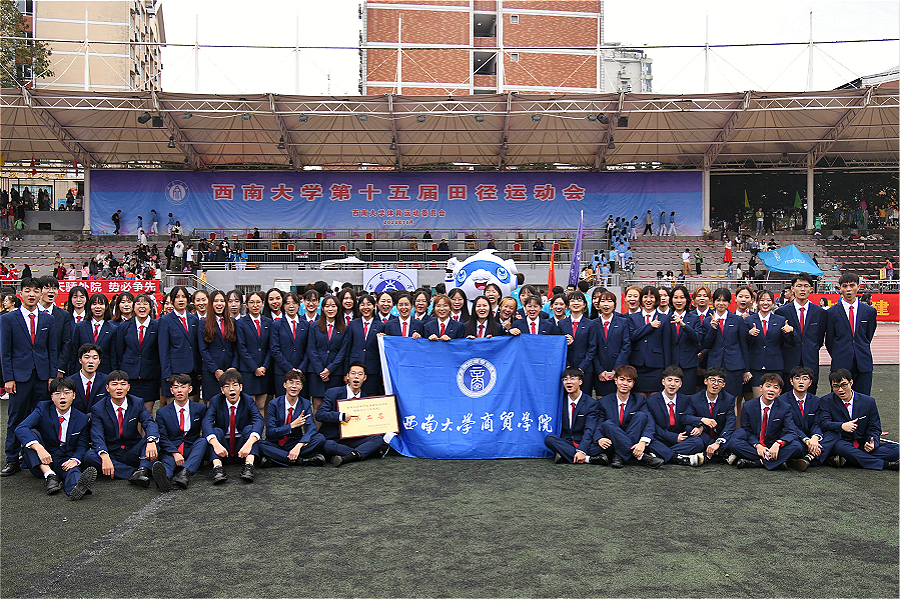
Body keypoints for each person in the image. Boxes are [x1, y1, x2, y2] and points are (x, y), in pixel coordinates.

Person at [1, 277, 58, 476]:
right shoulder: (8, 319)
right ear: (21, 293)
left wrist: (52, 376)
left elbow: (52, 350)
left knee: (41, 417)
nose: (31, 294)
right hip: (19, 377)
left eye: (35, 290)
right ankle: (12, 458)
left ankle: (34, 458)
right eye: (27, 290)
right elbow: (5, 352)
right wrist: (8, 378)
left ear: (41, 294)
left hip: (42, 377)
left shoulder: (48, 319)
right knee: (16, 418)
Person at [14, 377, 97, 500]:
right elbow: (21, 428)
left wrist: (75, 459)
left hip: (64, 458)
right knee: (31, 435)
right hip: (41, 460)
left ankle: (76, 488)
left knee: (73, 470)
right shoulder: (43, 408)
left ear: (74, 395)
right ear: (52, 397)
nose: (62, 397)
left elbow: (82, 445)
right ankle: (49, 475)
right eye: (57, 393)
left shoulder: (82, 418)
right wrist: (39, 448)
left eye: (67, 393)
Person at [82, 370, 159, 486]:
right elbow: (97, 434)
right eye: (114, 384)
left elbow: (148, 422)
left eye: (123, 384)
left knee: (154, 439)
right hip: (112, 452)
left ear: (128, 387)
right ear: (107, 388)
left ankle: (141, 469)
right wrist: (104, 455)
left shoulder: (136, 402)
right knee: (89, 456)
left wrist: (151, 440)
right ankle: (137, 472)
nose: (119, 388)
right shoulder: (98, 408)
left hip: (133, 449)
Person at [817, 368, 898, 470]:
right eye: (836, 386)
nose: (840, 390)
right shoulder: (826, 401)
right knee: (840, 447)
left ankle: (847, 460)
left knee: (897, 450)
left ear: (851, 382)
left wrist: (873, 443)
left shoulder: (868, 401)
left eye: (844, 385)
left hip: (862, 444)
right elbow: (824, 423)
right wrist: (842, 426)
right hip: (842, 443)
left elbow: (874, 428)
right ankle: (886, 464)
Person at [317, 362, 389, 467]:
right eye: (353, 373)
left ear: (364, 378)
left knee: (377, 439)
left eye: (360, 374)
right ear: (347, 376)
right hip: (335, 438)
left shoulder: (367, 400)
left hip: (354, 439)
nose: (356, 376)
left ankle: (348, 456)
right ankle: (364, 453)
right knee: (327, 445)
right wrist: (340, 416)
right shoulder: (333, 393)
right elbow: (320, 415)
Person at [730, 373, 806, 470]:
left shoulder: (785, 408)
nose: (771, 390)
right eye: (768, 386)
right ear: (761, 388)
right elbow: (746, 430)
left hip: (774, 445)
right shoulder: (748, 406)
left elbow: (792, 431)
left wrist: (778, 443)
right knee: (734, 443)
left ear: (779, 392)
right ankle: (777, 461)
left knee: (797, 446)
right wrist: (757, 445)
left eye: (775, 387)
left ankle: (758, 463)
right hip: (754, 444)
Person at [592, 366, 662, 468]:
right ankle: (641, 457)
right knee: (607, 424)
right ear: (615, 380)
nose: (625, 383)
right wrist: (599, 438)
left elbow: (650, 422)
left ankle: (619, 455)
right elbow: (598, 423)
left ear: (633, 384)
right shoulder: (604, 402)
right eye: (622, 379)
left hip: (634, 436)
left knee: (641, 416)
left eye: (629, 381)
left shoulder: (640, 400)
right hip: (611, 439)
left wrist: (643, 442)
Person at [202, 370, 263, 484]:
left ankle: (249, 466)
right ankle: (217, 468)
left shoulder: (248, 400)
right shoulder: (216, 400)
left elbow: (258, 420)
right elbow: (207, 421)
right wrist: (215, 444)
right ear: (222, 390)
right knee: (216, 431)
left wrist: (249, 444)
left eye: (235, 385)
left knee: (250, 429)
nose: (231, 389)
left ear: (241, 387)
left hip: (242, 446)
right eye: (227, 386)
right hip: (222, 446)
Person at [258, 371, 326, 467]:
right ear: (284, 385)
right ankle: (301, 460)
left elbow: (311, 429)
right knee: (258, 444)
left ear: (301, 387)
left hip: (294, 442)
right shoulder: (274, 404)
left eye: (298, 383)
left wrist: (298, 446)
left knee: (320, 438)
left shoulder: (305, 404)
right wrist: (291, 426)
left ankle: (276, 459)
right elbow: (270, 432)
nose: (294, 386)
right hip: (276, 442)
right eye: (291, 382)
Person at [152, 373, 208, 491]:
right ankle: (163, 480)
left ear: (190, 389)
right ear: (171, 390)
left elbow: (206, 430)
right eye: (176, 387)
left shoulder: (200, 408)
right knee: (167, 465)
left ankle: (185, 473)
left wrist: (205, 455)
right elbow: (162, 437)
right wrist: (175, 453)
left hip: (191, 449)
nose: (179, 390)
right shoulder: (162, 412)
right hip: (171, 450)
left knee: (202, 441)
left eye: (183, 387)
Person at [824, 273, 877, 395]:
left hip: (863, 361)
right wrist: (839, 354)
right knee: (839, 398)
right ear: (840, 288)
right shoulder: (831, 313)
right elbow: (829, 340)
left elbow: (868, 335)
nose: (848, 289)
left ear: (858, 286)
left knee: (863, 398)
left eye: (852, 285)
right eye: (845, 286)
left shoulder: (869, 311)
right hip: (840, 362)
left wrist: (859, 348)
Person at [643, 366, 706, 466]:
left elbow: (690, 417)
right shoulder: (651, 401)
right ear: (663, 382)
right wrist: (674, 437)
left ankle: (662, 454)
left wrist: (700, 426)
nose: (672, 384)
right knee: (649, 442)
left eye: (676, 381)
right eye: (669, 380)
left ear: (680, 384)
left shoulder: (686, 400)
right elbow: (652, 425)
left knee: (698, 442)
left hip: (681, 439)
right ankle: (678, 458)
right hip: (661, 438)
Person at [774, 273, 826, 394]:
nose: (802, 289)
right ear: (793, 289)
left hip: (810, 361)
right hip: (789, 362)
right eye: (799, 286)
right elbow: (780, 339)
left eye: (806, 286)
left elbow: (819, 338)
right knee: (787, 398)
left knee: (810, 398)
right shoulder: (782, 312)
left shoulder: (820, 312)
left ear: (811, 289)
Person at [778, 366, 833, 471]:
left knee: (834, 435)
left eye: (805, 378)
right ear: (791, 381)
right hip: (795, 437)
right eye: (797, 378)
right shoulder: (782, 401)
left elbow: (817, 422)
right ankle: (822, 458)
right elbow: (789, 425)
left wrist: (815, 438)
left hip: (812, 439)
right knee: (795, 446)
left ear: (810, 382)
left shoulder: (817, 401)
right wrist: (806, 439)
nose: (801, 382)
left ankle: (808, 458)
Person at [113, 293, 161, 414]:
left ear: (150, 307)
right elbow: (119, 351)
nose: (142, 306)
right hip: (129, 376)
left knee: (147, 411)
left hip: (150, 376)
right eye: (138, 303)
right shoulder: (124, 326)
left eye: (145, 303)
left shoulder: (157, 326)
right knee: (131, 411)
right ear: (133, 307)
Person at [544, 368, 603, 465]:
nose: (568, 382)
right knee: (549, 439)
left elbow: (590, 429)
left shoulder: (591, 403)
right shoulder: (560, 401)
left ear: (580, 382)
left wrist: (582, 450)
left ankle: (566, 454)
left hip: (585, 442)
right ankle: (588, 459)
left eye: (572, 378)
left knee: (605, 446)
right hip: (567, 441)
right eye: (565, 379)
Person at [745, 289, 796, 399]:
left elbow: (789, 342)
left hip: (775, 365)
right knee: (758, 401)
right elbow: (745, 344)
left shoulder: (780, 320)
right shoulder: (749, 320)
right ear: (757, 302)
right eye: (762, 300)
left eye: (768, 300)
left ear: (773, 302)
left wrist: (791, 332)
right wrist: (749, 334)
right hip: (756, 366)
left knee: (775, 401)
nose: (765, 303)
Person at [704, 288, 750, 401]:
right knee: (714, 398)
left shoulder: (737, 320)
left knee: (732, 399)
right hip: (715, 364)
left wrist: (746, 369)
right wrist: (713, 329)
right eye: (718, 300)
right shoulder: (707, 321)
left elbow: (743, 345)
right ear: (713, 302)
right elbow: (706, 344)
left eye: (724, 300)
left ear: (729, 302)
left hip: (734, 365)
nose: (721, 303)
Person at [158, 286, 201, 408]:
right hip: (174, 371)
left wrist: (199, 369)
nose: (181, 300)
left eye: (183, 297)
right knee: (173, 409)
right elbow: (163, 348)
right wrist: (166, 373)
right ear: (172, 300)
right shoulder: (165, 320)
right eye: (177, 297)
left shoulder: (194, 319)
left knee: (192, 408)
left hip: (192, 371)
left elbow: (196, 346)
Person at [306, 295, 350, 409]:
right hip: (316, 371)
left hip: (335, 372)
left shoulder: (344, 328)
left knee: (333, 405)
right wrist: (320, 370)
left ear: (338, 308)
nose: (330, 309)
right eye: (327, 306)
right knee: (317, 404)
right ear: (322, 308)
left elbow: (342, 352)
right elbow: (311, 349)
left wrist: (329, 369)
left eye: (333, 306)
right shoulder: (314, 326)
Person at [685, 367, 737, 463]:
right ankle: (721, 452)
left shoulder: (729, 399)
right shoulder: (695, 398)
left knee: (738, 434)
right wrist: (701, 421)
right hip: (705, 435)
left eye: (719, 381)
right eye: (712, 380)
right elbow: (686, 417)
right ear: (705, 381)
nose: (715, 384)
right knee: (689, 428)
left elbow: (731, 422)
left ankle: (714, 450)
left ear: (723, 384)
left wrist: (718, 442)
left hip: (720, 435)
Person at [234, 291, 273, 419]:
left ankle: (260, 430)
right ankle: (248, 430)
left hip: (264, 370)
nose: (255, 305)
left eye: (258, 302)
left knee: (261, 405)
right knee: (249, 405)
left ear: (262, 303)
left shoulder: (268, 322)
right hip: (248, 370)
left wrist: (264, 366)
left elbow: (270, 347)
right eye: (251, 302)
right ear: (246, 304)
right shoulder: (241, 322)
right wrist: (254, 368)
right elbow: (241, 347)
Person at [627, 287, 671, 396]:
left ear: (656, 299)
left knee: (655, 399)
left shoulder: (664, 318)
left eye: (652, 297)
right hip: (637, 364)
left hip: (656, 365)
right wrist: (650, 326)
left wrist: (667, 369)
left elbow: (667, 344)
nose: (648, 300)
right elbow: (632, 336)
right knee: (639, 399)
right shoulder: (633, 317)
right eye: (645, 297)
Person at [268, 291, 309, 390]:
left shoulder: (306, 325)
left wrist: (301, 368)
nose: (291, 306)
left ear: (299, 305)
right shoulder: (276, 325)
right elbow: (274, 349)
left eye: (294, 303)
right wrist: (289, 368)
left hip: (301, 370)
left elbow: (309, 348)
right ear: (283, 306)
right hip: (282, 371)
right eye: (287, 303)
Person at [667, 285, 702, 394]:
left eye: (682, 297)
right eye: (675, 297)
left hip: (688, 364)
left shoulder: (695, 318)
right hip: (670, 363)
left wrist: (684, 325)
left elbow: (698, 338)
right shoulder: (666, 318)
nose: (679, 301)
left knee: (688, 395)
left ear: (687, 299)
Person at [346, 294, 384, 396]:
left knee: (370, 397)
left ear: (374, 306)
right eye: (362, 305)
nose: (365, 307)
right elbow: (348, 348)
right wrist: (346, 371)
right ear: (359, 307)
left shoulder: (381, 326)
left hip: (372, 369)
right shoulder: (353, 324)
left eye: (369, 304)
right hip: (355, 368)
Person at [37, 276, 73, 379]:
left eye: (54, 288)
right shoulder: (31, 313)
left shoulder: (63, 315)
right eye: (47, 288)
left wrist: (60, 368)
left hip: (55, 368)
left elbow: (67, 343)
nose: (51, 291)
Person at [71, 343, 109, 414]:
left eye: (95, 358)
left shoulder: (106, 381)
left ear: (99, 361)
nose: (91, 361)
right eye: (86, 357)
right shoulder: (70, 381)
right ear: (80, 360)